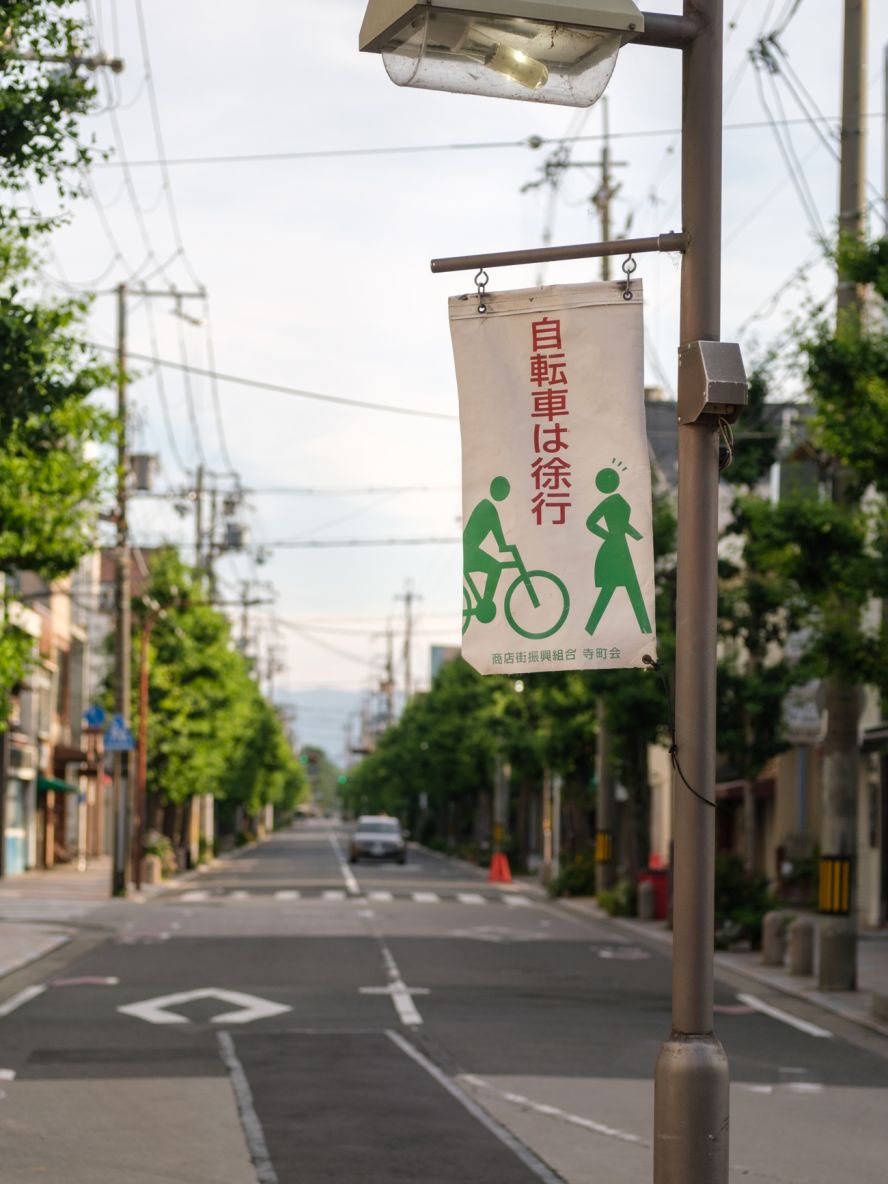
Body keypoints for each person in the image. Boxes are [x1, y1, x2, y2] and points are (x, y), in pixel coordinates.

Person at [585, 466, 652, 636]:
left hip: (620, 548)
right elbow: (590, 522)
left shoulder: (617, 500)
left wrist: (637, 536)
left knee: (627, 588)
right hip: (614, 549)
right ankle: (590, 629)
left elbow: (623, 525)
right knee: (620, 588)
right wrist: (607, 535)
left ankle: (590, 629)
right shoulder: (611, 502)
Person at [463, 475, 513, 623]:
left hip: (469, 550)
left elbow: (496, 530)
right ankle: (485, 605)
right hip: (469, 551)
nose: (504, 494)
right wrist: (503, 546)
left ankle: (484, 603)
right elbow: (496, 529)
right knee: (495, 567)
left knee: (495, 566)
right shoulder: (488, 507)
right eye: (503, 490)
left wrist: (502, 545)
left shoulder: (487, 505)